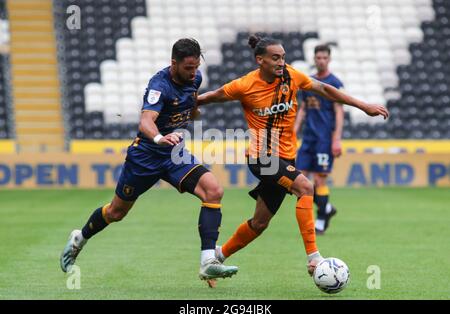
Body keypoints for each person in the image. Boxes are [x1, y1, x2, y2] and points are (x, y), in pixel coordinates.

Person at [197, 35, 388, 282]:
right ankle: (314, 257)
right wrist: (186, 106)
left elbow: (324, 89)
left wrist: (363, 106)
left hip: (286, 158)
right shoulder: (244, 85)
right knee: (305, 187)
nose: (281, 62)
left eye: (283, 57)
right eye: (275, 58)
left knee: (259, 223)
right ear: (260, 60)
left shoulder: (291, 75)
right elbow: (210, 96)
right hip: (261, 157)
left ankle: (216, 259)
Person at [60, 38, 238, 283]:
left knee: (213, 191)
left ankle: (208, 261)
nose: (193, 72)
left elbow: (192, 104)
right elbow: (145, 121)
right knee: (116, 212)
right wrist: (158, 138)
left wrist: (192, 112)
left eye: (196, 66)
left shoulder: (194, 79)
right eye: (188, 67)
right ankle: (79, 238)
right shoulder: (159, 85)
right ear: (173, 63)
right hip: (146, 156)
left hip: (173, 154)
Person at [294, 44, 344, 235]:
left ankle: (321, 218)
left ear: (329, 59)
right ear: (314, 59)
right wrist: (294, 131)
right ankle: (327, 208)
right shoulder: (309, 82)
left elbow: (339, 113)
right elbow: (304, 109)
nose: (321, 60)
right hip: (308, 138)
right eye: (318, 57)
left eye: (324, 57)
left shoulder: (335, 83)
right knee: (298, 180)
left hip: (325, 139)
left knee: (320, 180)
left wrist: (336, 139)